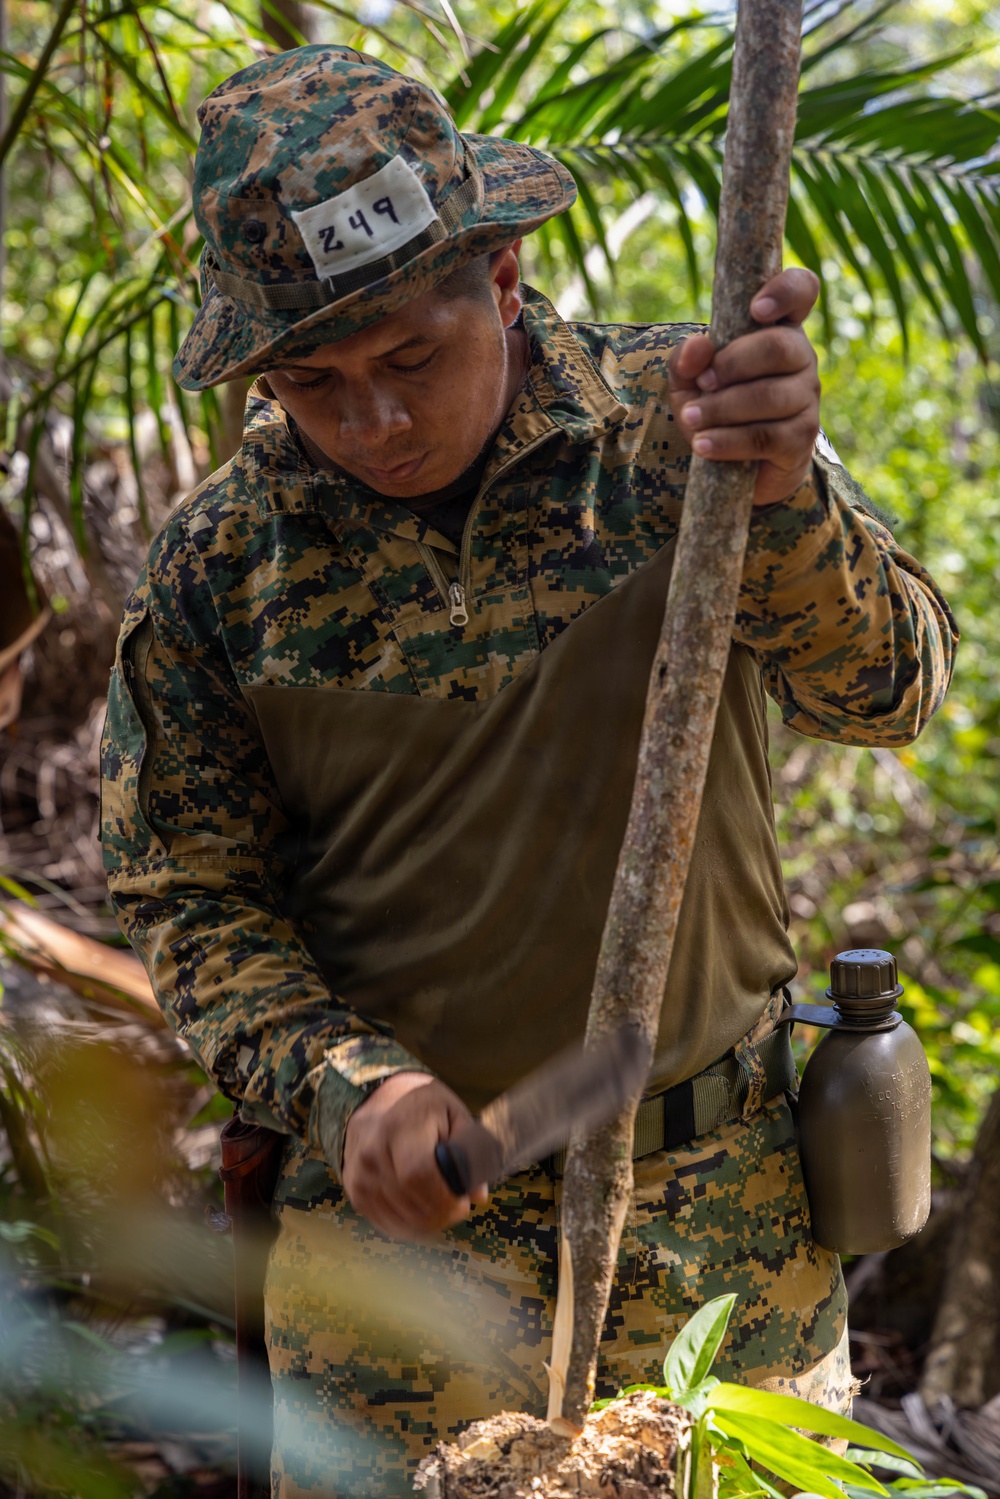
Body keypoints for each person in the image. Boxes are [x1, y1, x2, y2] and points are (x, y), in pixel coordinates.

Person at [100, 43, 957, 1499]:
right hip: (395, 1285)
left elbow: (890, 690)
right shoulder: (219, 568)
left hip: (727, 1234)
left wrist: (787, 497)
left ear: (499, 279)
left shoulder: (675, 434)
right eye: (314, 382)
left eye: (411, 361)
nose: (374, 422)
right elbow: (190, 903)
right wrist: (348, 1086)